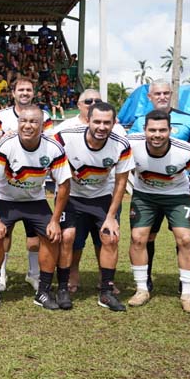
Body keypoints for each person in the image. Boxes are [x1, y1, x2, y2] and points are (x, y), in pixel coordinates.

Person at [128, 80, 190, 299]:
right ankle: (144, 282)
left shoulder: (188, 121)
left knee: (184, 237)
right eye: (158, 93)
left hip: (177, 190)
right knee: (144, 237)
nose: (162, 96)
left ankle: (187, 287)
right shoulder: (138, 123)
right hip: (147, 191)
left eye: (166, 93)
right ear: (149, 96)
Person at [0, 104, 71, 310]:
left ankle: (43, 292)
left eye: (33, 122)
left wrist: (54, 221)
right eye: (23, 121)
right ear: (18, 123)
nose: (28, 125)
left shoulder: (53, 147)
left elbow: (64, 184)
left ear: (42, 125)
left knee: (52, 236)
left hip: (35, 201)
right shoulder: (5, 145)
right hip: (6, 199)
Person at [54, 102, 133, 311]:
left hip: (101, 198)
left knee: (110, 236)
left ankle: (106, 291)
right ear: (87, 120)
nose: (101, 127)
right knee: (68, 237)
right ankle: (62, 287)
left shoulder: (121, 145)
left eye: (107, 122)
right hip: (71, 197)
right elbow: (42, 145)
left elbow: (121, 182)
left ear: (114, 123)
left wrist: (111, 216)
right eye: (96, 121)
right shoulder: (66, 136)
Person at [0, 77, 53, 291]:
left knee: (35, 237)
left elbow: (49, 141)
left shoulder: (45, 116)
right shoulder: (1, 116)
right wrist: (5, 139)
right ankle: (0, 275)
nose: (25, 93)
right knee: (2, 235)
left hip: (34, 191)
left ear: (33, 92)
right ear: (13, 93)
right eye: (21, 90)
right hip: (6, 190)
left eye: (28, 89)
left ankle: (33, 274)